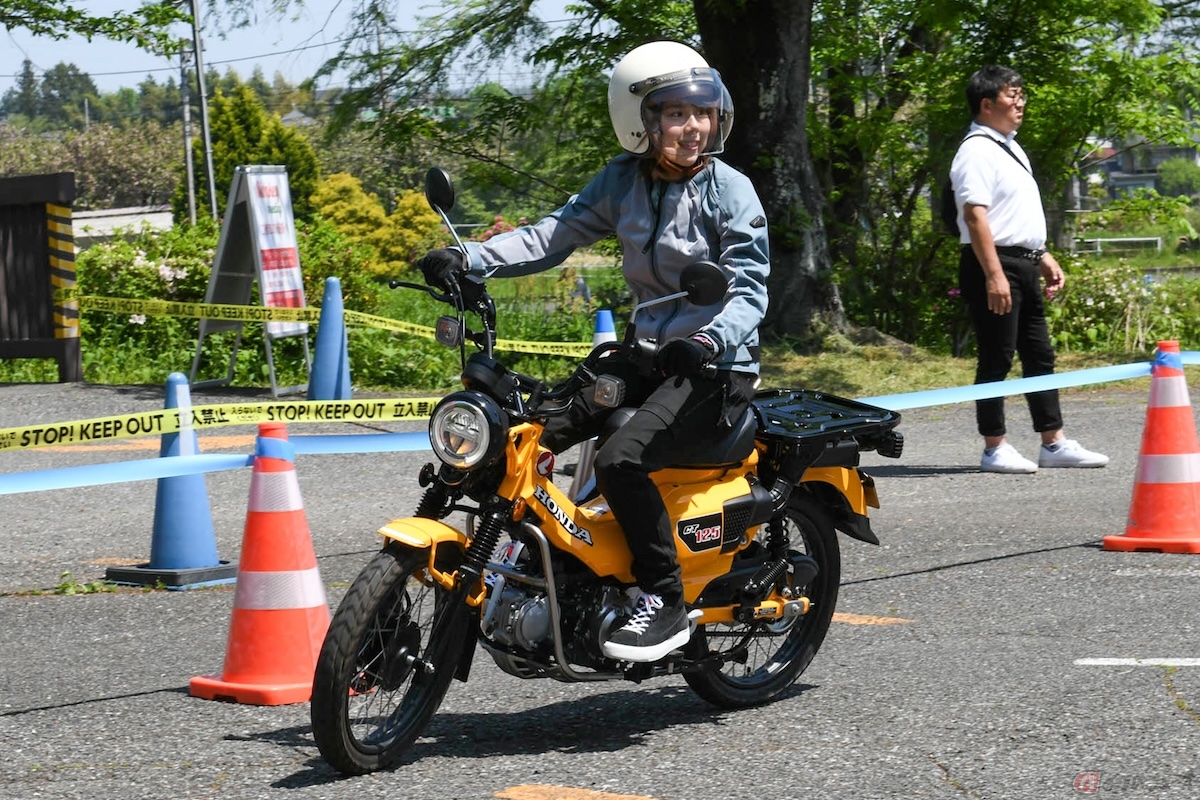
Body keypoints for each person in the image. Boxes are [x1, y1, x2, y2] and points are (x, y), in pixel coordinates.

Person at [417, 41, 770, 662]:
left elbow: (747, 290)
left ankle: (665, 602)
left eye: (703, 113)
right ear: (641, 121)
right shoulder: (622, 180)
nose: (695, 128)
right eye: (677, 114)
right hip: (649, 354)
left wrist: (708, 338)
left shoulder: (730, 190)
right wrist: (469, 258)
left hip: (713, 366)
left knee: (621, 455)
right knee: (529, 426)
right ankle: (548, 564)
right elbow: (553, 236)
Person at [950, 65, 1108, 474]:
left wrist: (1042, 255)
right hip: (993, 263)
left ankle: (1052, 442)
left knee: (1039, 354)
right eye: (1011, 96)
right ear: (987, 104)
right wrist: (994, 275)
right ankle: (994, 447)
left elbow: (1013, 215)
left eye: (1022, 94)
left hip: (1022, 261)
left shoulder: (1009, 146)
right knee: (996, 356)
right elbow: (976, 217)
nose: (1020, 103)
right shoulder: (976, 149)